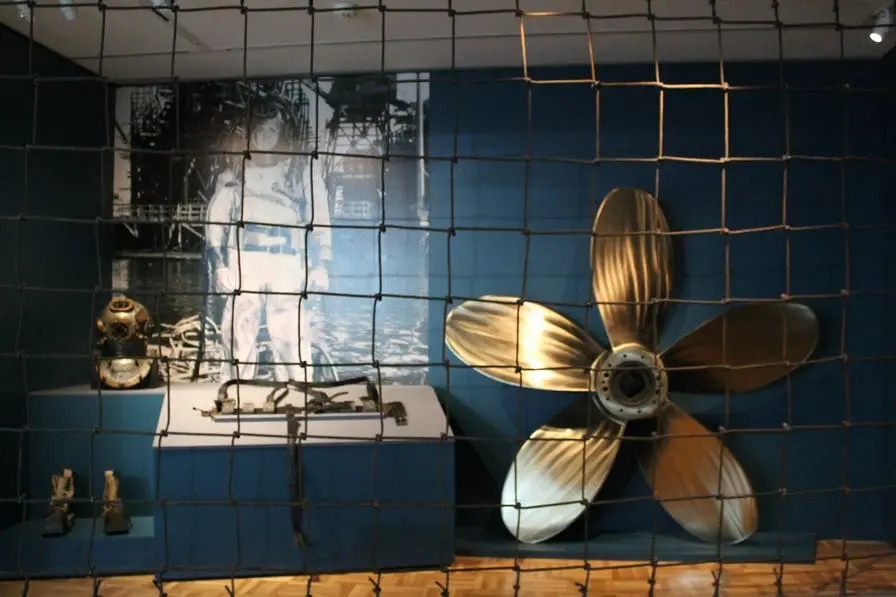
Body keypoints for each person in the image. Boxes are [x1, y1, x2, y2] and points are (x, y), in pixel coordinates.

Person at [205, 97, 332, 383]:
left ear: (283, 132)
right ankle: (235, 392)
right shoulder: (233, 173)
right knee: (238, 334)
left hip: (286, 263)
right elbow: (215, 224)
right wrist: (219, 266)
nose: (265, 137)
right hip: (243, 261)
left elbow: (320, 221)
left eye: (272, 130)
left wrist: (321, 265)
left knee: (291, 339)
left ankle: (298, 393)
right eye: (259, 130)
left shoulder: (302, 172)